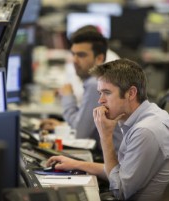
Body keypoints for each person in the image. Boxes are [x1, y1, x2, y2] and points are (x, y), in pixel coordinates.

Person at [46, 59, 169, 201]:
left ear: (131, 93)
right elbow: (119, 172)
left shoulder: (146, 131)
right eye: (100, 93)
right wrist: (76, 164)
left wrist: (105, 136)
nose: (100, 100)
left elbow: (120, 191)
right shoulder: (148, 114)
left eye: (107, 92)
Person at [40, 25, 122, 155]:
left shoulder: (97, 83)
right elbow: (87, 125)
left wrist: (67, 97)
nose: (74, 60)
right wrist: (63, 126)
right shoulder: (103, 78)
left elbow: (80, 133)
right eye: (73, 54)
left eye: (81, 55)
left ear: (99, 58)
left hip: (114, 162)